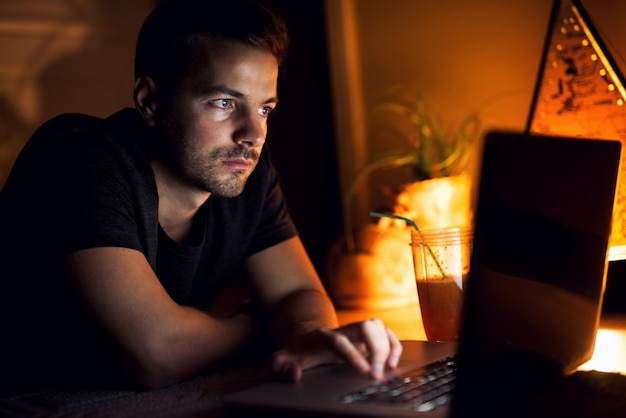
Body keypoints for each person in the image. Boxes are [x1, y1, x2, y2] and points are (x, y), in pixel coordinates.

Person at [0, 0, 401, 390]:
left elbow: (299, 294)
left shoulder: (245, 171)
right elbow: (156, 353)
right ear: (149, 101)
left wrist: (306, 334)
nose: (254, 135)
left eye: (265, 109)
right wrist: (262, 324)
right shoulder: (78, 154)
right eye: (224, 103)